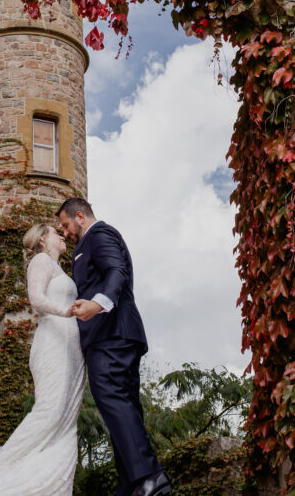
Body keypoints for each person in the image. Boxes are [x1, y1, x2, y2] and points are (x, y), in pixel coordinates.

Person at [0, 222, 86, 495]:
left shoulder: (60, 267)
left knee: (65, 418)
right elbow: (36, 299)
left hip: (72, 348)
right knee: (50, 411)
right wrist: (68, 312)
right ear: (41, 239)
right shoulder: (41, 260)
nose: (63, 235)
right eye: (55, 232)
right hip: (54, 341)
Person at [59, 197, 171, 496]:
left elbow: (116, 271)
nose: (66, 233)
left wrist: (97, 305)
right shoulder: (88, 242)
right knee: (124, 405)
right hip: (115, 336)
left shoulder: (100, 234)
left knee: (112, 398)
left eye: (66, 225)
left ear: (80, 216)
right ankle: (133, 483)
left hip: (112, 334)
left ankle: (149, 477)